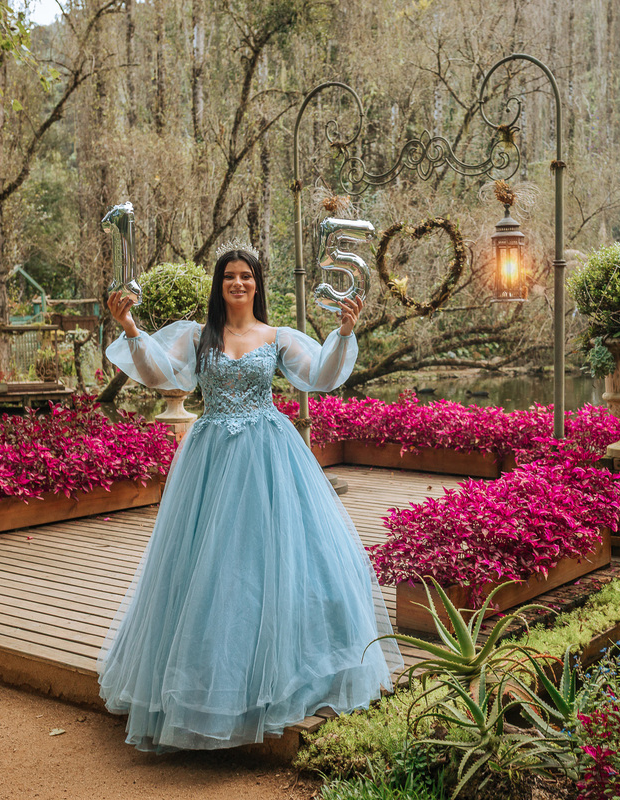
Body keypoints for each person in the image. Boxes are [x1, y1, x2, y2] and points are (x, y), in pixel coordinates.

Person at [97, 242, 402, 753]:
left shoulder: (277, 336)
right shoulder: (198, 337)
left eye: (246, 276)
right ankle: (202, 685)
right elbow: (157, 373)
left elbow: (320, 375)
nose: (237, 283)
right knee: (208, 565)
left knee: (273, 560)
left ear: (257, 284)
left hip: (268, 455)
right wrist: (130, 327)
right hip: (211, 458)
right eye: (229, 276)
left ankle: (284, 677)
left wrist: (345, 332)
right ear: (219, 285)